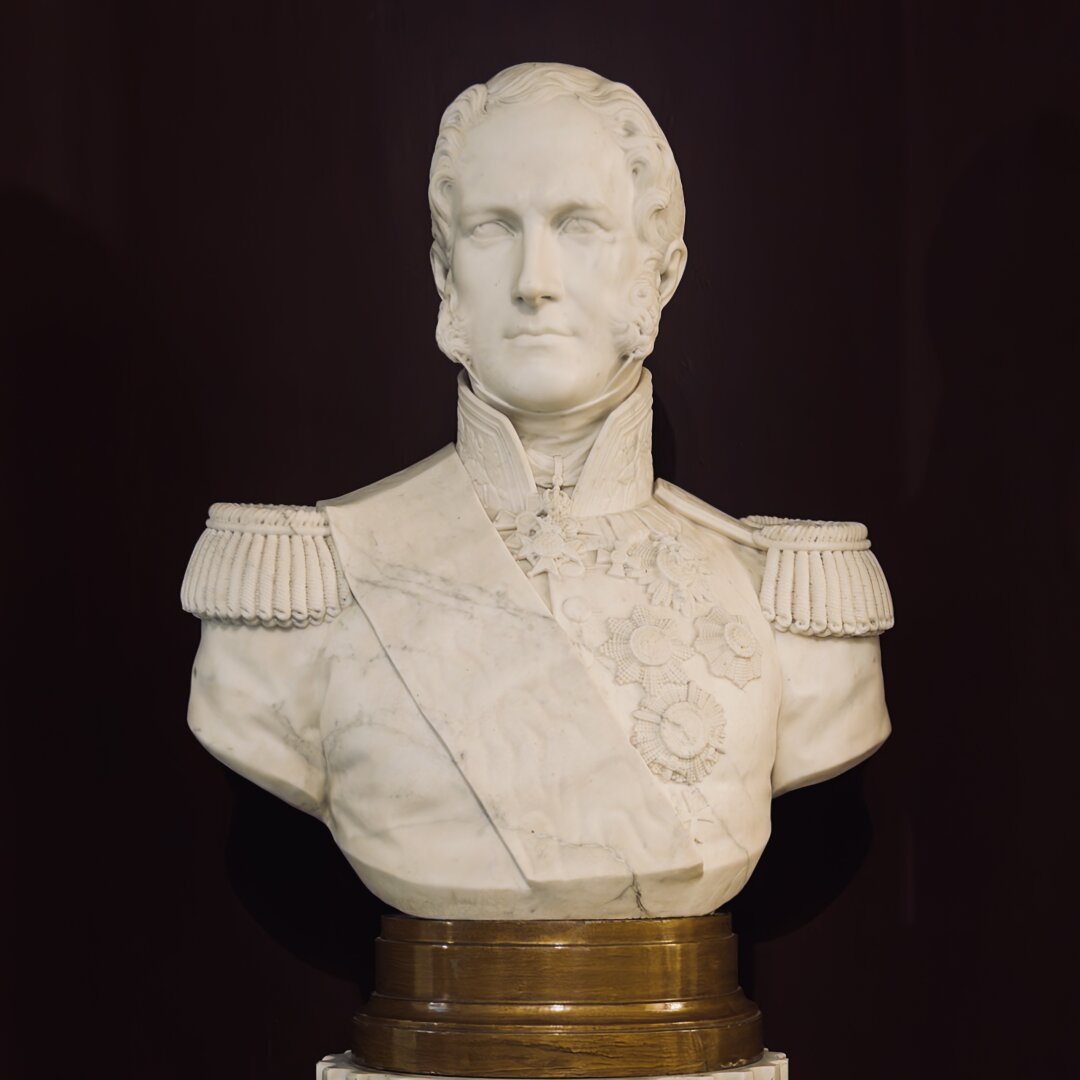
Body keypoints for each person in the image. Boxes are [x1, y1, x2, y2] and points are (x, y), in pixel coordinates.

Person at [181, 62, 893, 920]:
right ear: (446, 276)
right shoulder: (308, 585)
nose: (534, 280)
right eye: (492, 229)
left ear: (657, 276)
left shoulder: (784, 601)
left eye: (579, 226)